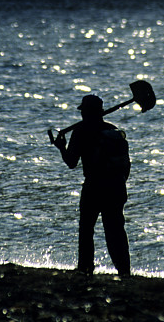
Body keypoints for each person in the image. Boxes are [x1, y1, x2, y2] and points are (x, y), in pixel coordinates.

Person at [53, 94, 131, 276]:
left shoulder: (81, 131)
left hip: (93, 187)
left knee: (86, 229)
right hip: (116, 187)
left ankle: (86, 268)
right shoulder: (113, 131)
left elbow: (71, 162)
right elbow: (125, 165)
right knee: (115, 230)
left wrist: (61, 147)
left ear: (86, 112)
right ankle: (124, 270)